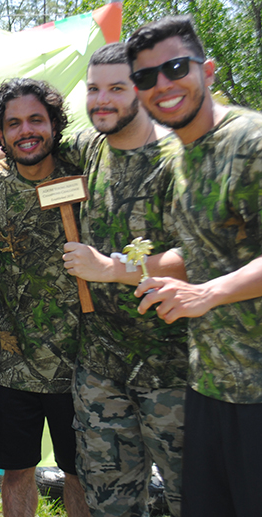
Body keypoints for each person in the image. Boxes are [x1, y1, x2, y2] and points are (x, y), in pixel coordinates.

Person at [127, 16, 262, 517]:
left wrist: (207, 293)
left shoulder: (249, 140)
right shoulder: (180, 155)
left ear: (206, 70)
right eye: (146, 77)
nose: (162, 85)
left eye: (175, 67)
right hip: (209, 386)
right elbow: (210, 249)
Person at [58, 42, 189, 516]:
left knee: (193, 495)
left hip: (173, 367)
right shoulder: (91, 145)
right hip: (100, 369)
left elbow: (201, 253)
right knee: (110, 502)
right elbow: (17, 146)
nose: (101, 100)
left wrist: (113, 270)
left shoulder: (180, 155)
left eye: (117, 87)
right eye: (93, 89)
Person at [0, 78, 91, 517]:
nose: (26, 131)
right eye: (14, 123)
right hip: (10, 361)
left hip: (80, 360)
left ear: (55, 124)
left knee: (79, 470)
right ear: (0, 134)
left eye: (36, 120)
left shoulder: (82, 167)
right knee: (16, 469)